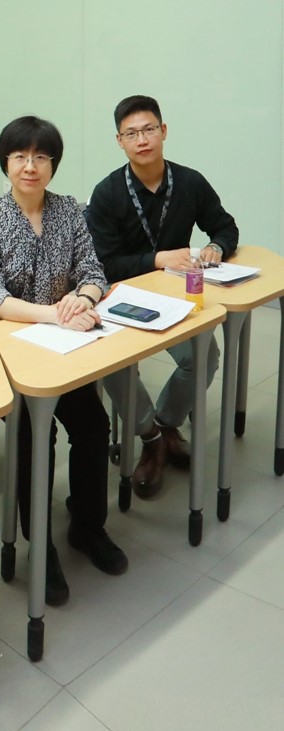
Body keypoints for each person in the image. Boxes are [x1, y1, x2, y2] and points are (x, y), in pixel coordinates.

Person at [0, 115, 124, 609]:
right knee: (34, 438)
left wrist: (85, 297)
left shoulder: (69, 211)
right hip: (9, 353)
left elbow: (93, 269)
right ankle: (39, 544)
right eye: (20, 156)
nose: (30, 166)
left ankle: (87, 525)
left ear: (53, 164)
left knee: (94, 425)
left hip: (64, 348)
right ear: (6, 163)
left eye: (41, 157)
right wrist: (56, 315)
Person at [88, 95, 235, 499]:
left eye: (149, 129)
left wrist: (216, 247)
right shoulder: (107, 193)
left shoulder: (189, 182)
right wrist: (156, 259)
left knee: (205, 356)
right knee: (113, 364)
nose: (142, 140)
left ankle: (167, 425)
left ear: (163, 131)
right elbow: (104, 264)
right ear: (119, 141)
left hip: (175, 299)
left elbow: (225, 227)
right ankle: (149, 436)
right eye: (131, 133)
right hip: (122, 298)